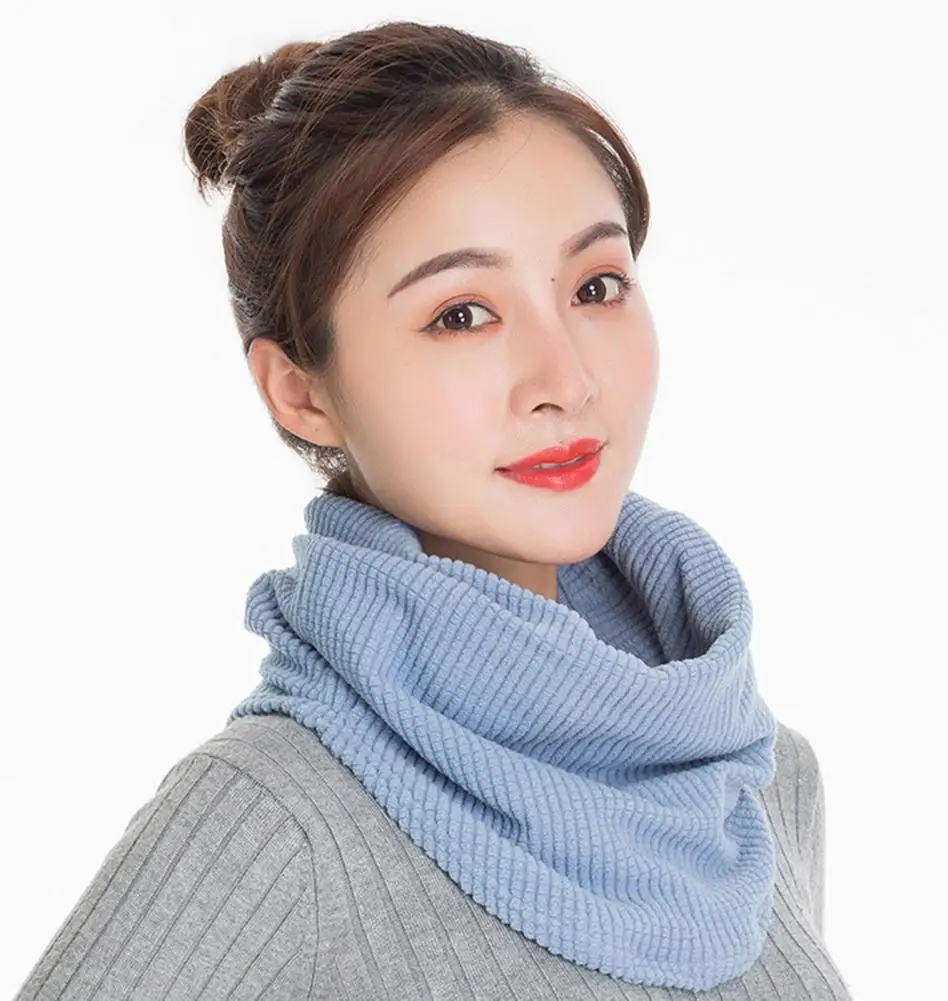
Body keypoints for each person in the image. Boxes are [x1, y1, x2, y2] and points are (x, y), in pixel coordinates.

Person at [14, 20, 853, 1000]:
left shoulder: (757, 779)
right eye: (461, 313)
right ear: (300, 391)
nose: (565, 379)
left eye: (595, 286)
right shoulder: (275, 818)